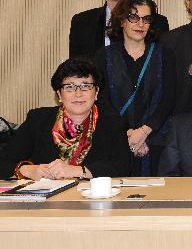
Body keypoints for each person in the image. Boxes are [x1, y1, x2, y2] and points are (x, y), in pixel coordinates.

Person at [0, 58, 131, 180]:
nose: (78, 94)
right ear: (59, 95)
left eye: (86, 86)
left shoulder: (112, 123)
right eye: (69, 87)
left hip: (95, 200)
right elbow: (3, 162)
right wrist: (27, 170)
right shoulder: (38, 120)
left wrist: (78, 171)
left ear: (96, 92)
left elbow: (123, 167)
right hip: (45, 201)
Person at [94, 0, 176, 174]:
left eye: (146, 19)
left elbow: (169, 98)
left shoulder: (164, 55)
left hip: (158, 140)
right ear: (121, 20)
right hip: (117, 140)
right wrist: (129, 133)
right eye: (134, 17)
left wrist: (145, 132)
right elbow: (101, 100)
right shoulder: (104, 56)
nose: (141, 24)